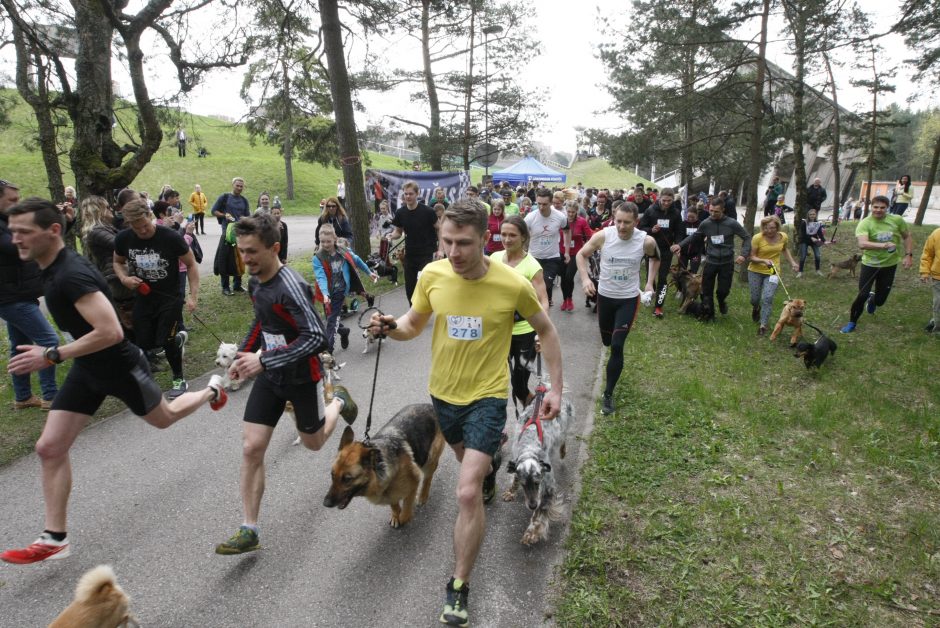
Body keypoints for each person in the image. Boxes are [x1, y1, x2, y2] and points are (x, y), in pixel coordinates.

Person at [368, 200, 563, 628]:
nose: (454, 252)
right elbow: (414, 324)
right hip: (444, 398)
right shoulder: (432, 275)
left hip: (487, 398)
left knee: (466, 493)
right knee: (470, 464)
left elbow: (546, 330)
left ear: (484, 239)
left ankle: (459, 585)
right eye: (447, 241)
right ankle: (490, 463)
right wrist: (389, 325)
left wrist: (555, 389)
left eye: (464, 244)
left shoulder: (511, 283)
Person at [1, 197, 227, 565]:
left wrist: (52, 354)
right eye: (12, 232)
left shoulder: (71, 274)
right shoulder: (50, 266)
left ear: (53, 231)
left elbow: (110, 332)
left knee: (165, 417)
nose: (16, 240)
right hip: (89, 370)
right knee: (49, 448)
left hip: (119, 366)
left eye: (24, 232)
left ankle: (211, 390)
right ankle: (55, 537)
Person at [214, 214, 357, 555]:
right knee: (251, 448)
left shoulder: (291, 286)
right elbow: (261, 322)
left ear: (274, 248)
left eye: (252, 252)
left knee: (314, 442)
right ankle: (249, 528)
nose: (245, 258)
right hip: (270, 377)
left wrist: (262, 360)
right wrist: (244, 356)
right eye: (241, 251)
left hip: (299, 377)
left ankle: (337, 401)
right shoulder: (255, 282)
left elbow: (318, 339)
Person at [577, 202, 658, 415]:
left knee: (617, 345)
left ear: (636, 222)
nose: (622, 226)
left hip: (628, 299)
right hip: (605, 297)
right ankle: (610, 357)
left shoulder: (645, 241)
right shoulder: (604, 236)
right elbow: (581, 255)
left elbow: (655, 258)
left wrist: (649, 283)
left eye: (627, 223)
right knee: (606, 340)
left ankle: (608, 394)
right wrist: (585, 279)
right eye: (619, 221)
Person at [114, 199, 198, 398]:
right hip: (144, 296)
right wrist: (124, 278)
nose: (142, 231)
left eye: (144, 225)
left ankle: (179, 379)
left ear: (150, 216)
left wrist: (193, 296)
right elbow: (117, 262)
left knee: (166, 340)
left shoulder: (169, 237)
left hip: (170, 297)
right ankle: (178, 340)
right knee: (144, 342)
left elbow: (192, 264)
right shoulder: (124, 239)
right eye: (136, 228)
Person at [0, 179, 59, 411]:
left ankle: (23, 397)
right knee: (49, 341)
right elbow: (18, 249)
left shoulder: (7, 222)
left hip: (21, 294)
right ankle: (50, 396)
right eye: (12, 200)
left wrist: (62, 222)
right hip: (10, 297)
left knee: (20, 347)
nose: (18, 204)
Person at [491, 215, 549, 407]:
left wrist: (542, 333)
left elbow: (543, 301)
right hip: (500, 330)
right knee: (493, 379)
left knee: (518, 383)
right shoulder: (494, 258)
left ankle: (533, 411)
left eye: (512, 235)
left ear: (523, 237)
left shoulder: (532, 266)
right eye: (503, 234)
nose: (507, 240)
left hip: (525, 331)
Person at [840, 195, 914, 333]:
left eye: (882, 207)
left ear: (887, 208)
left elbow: (907, 236)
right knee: (862, 295)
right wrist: (883, 245)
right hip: (870, 265)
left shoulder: (897, 220)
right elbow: (862, 244)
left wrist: (908, 255)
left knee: (881, 300)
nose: (878, 210)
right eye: (875, 207)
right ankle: (852, 322)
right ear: (871, 207)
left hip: (889, 265)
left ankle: (873, 300)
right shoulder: (865, 223)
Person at [671, 197, 750, 320]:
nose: (713, 214)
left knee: (722, 291)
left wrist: (743, 254)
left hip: (726, 262)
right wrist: (679, 245)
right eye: (711, 211)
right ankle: (709, 315)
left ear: (723, 210)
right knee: (706, 291)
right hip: (711, 261)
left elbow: (747, 237)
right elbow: (694, 237)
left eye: (716, 211)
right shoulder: (706, 223)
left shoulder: (732, 223)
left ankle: (722, 301)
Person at [313, 224, 377, 352]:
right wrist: (325, 294)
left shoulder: (343, 250)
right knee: (331, 319)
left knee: (331, 321)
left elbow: (357, 260)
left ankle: (329, 351)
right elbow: (321, 277)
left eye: (328, 241)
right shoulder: (318, 257)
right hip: (327, 293)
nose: (325, 244)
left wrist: (369, 272)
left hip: (340, 291)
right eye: (322, 242)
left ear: (335, 239)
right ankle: (343, 331)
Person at [81, 195, 136, 335]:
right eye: (106, 207)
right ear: (97, 210)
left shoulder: (105, 228)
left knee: (131, 313)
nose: (110, 209)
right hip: (116, 278)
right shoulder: (96, 231)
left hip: (119, 275)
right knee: (129, 315)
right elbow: (120, 244)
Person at [388, 180, 441, 304]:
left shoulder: (428, 211)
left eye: (411, 194)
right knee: (410, 288)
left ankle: (425, 310)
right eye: (406, 194)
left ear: (417, 194)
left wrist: (441, 249)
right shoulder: (401, 213)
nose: (408, 196)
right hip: (410, 254)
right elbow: (398, 232)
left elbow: (440, 228)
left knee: (423, 284)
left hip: (427, 253)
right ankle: (414, 314)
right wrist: (391, 236)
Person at [748, 215, 799, 336]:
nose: (769, 231)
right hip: (755, 270)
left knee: (767, 297)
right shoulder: (757, 238)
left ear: (777, 227)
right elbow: (751, 257)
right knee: (755, 299)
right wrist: (763, 260)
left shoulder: (783, 237)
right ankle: (756, 308)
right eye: (766, 228)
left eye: (772, 228)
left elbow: (785, 249)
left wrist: (792, 262)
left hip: (773, 271)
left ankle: (763, 325)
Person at [638, 187, 683, 318]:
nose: (666, 203)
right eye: (664, 200)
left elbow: (680, 231)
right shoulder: (651, 210)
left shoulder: (675, 212)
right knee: (650, 277)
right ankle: (649, 296)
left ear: (673, 199)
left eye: (669, 201)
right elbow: (641, 228)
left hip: (666, 250)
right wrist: (651, 230)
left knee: (663, 278)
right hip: (651, 248)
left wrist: (677, 243)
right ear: (659, 198)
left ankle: (658, 306)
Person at [524, 188, 570, 307]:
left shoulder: (560, 217)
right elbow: (522, 235)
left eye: (544, 204)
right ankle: (546, 303)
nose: (541, 207)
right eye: (539, 203)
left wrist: (567, 251)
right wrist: (523, 251)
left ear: (551, 203)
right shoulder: (530, 217)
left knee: (545, 284)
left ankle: (543, 307)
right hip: (534, 257)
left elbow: (567, 231)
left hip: (552, 257)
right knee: (534, 287)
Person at [211, 177, 251, 295]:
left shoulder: (244, 200)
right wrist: (224, 216)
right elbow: (214, 211)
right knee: (225, 259)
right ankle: (225, 287)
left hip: (240, 234)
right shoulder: (224, 197)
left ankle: (237, 285)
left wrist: (245, 219)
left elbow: (247, 216)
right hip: (227, 233)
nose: (239, 188)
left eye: (241, 186)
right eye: (237, 185)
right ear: (232, 185)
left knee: (240, 259)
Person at [559, 199, 592, 312]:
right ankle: (565, 300)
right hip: (561, 252)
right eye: (569, 211)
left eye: (573, 212)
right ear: (566, 211)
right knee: (563, 278)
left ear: (577, 211)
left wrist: (587, 249)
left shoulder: (582, 221)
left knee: (569, 276)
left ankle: (570, 299)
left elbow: (589, 236)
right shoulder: (561, 220)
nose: (571, 214)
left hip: (576, 254)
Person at [920, 226, 940, 334]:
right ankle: (937, 330)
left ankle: (934, 322)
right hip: (938, 278)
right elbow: (927, 254)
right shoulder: (937, 234)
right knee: (939, 304)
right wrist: (925, 272)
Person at [796, 208, 826, 277]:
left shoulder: (817, 223)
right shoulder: (804, 223)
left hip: (814, 241)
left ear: (816, 215)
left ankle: (818, 270)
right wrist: (811, 237)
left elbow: (820, 233)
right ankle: (800, 272)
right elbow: (803, 234)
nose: (812, 216)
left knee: (818, 255)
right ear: (808, 215)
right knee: (803, 256)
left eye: (813, 214)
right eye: (810, 214)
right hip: (804, 240)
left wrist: (824, 241)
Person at [677, 204, 705, 273]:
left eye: (693, 217)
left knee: (693, 272)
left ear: (697, 215)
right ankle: (681, 283)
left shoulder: (701, 224)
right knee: (681, 272)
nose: (690, 219)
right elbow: (679, 236)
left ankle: (692, 283)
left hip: (696, 253)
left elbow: (704, 236)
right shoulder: (683, 224)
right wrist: (678, 247)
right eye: (689, 217)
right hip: (683, 252)